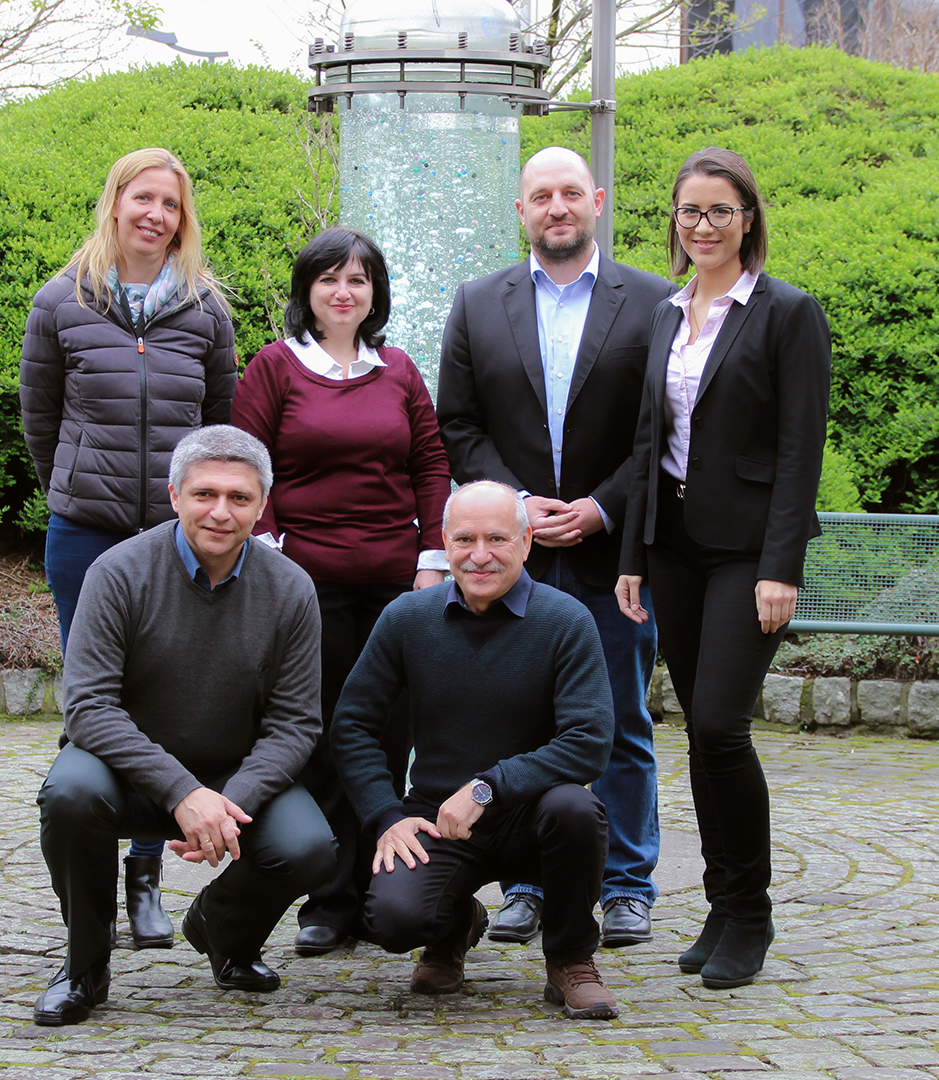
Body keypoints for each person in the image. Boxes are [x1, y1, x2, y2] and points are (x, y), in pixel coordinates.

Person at [437, 146, 675, 948]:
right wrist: (514, 505)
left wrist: (603, 508)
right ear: (521, 211)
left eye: (571, 192)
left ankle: (627, 883)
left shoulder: (653, 303)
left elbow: (666, 430)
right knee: (517, 723)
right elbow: (457, 423)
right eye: (541, 196)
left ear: (598, 200)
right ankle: (529, 883)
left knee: (618, 722)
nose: (557, 207)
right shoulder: (476, 304)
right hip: (513, 557)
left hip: (615, 557)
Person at [33, 426, 336, 1025]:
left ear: (260, 506)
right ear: (174, 495)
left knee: (309, 846)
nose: (220, 512)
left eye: (239, 498)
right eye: (204, 494)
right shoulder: (117, 572)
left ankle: (224, 933)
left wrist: (228, 803)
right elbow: (89, 706)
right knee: (68, 794)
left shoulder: (291, 587)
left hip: (232, 771)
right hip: (122, 769)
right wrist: (183, 793)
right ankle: (84, 967)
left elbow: (296, 724)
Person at [615, 147, 831, 990]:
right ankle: (718, 901)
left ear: (748, 219)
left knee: (718, 726)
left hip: (748, 554)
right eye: (688, 212)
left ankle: (752, 912)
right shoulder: (668, 313)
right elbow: (647, 444)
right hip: (673, 548)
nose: (702, 226)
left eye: (719, 211)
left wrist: (781, 565)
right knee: (700, 738)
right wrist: (632, 552)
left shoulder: (786, 313)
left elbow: (798, 447)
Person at [20, 147, 236, 950]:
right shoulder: (61, 301)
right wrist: (77, 487)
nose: (155, 215)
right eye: (142, 199)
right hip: (85, 533)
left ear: (183, 220)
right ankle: (91, 890)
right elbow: (41, 419)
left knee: (165, 701)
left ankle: (145, 876)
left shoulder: (206, 309)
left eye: (170, 205)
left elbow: (220, 426)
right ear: (114, 203)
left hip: (175, 539)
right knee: (93, 701)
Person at [231, 227, 450, 956]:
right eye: (329, 279)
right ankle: (326, 900)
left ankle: (380, 886)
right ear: (308, 293)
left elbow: (431, 466)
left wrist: (431, 559)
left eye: (359, 279)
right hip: (307, 588)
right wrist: (268, 558)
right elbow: (247, 466)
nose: (344, 291)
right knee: (321, 735)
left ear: (375, 294)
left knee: (389, 740)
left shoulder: (399, 371)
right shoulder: (274, 368)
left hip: (397, 587)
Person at [331, 481, 620, 1019]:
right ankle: (452, 929)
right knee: (393, 922)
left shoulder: (566, 620)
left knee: (577, 809)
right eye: (464, 539)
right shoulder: (407, 618)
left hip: (536, 813)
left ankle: (571, 960)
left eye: (497, 539)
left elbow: (589, 741)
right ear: (445, 542)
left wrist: (489, 786)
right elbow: (352, 724)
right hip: (436, 818)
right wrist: (386, 816)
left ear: (528, 541)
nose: (479, 555)